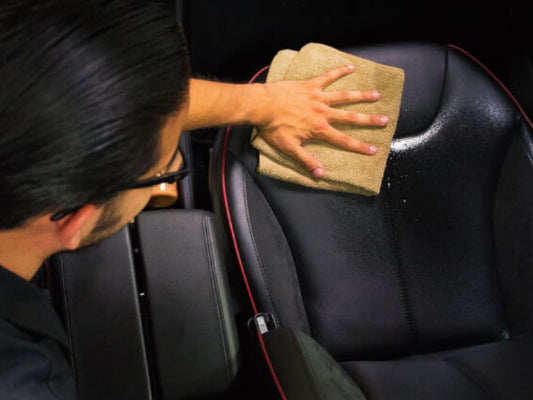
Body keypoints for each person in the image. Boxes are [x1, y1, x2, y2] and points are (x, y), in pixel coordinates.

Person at [0, 1, 389, 398]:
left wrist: (263, 103)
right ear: (75, 220)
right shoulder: (27, 379)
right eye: (164, 172)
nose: (175, 165)